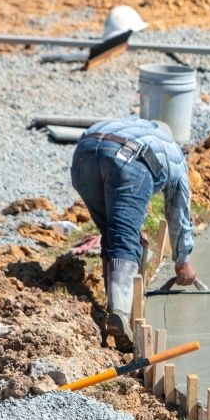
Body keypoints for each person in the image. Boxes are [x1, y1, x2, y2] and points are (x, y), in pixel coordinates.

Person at [71, 117, 197, 351]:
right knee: (124, 238)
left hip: (83, 154)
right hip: (128, 159)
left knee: (113, 232)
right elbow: (179, 211)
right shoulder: (172, 150)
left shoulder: (135, 126)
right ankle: (119, 313)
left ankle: (114, 306)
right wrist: (183, 259)